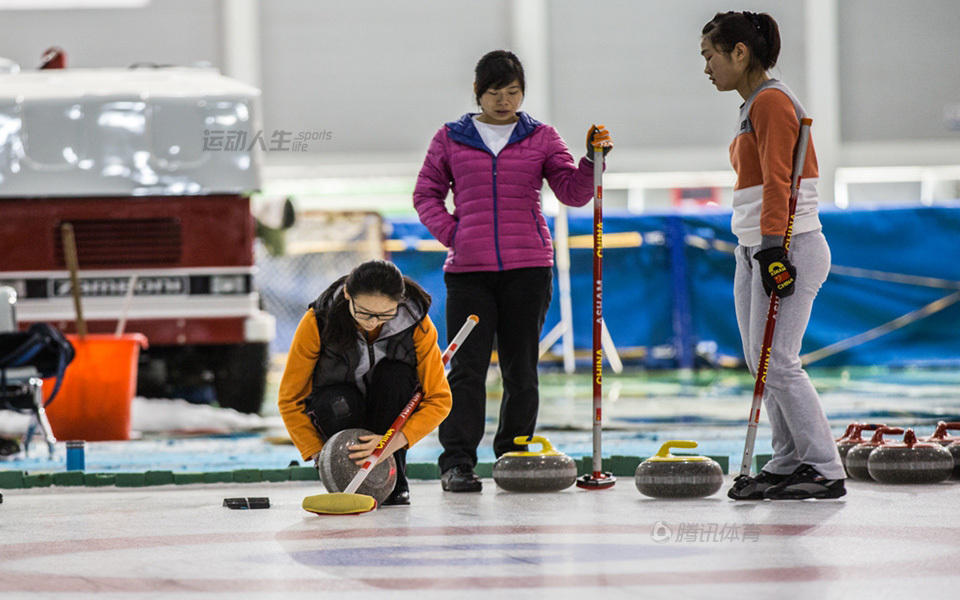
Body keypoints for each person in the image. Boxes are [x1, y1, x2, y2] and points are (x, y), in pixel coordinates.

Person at [413, 49, 612, 492]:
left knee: (521, 368)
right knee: (467, 370)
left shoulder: (541, 136)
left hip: (528, 269)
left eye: (513, 92)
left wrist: (590, 161)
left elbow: (572, 193)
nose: (504, 101)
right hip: (468, 272)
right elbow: (425, 194)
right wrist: (453, 234)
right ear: (477, 92)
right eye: (495, 92)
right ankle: (458, 462)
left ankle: (514, 452)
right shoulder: (450, 138)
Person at [700, 11, 845, 500]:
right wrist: (756, 250)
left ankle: (824, 466)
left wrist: (771, 252)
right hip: (755, 247)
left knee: (777, 361)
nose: (707, 69)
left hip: (787, 245)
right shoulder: (752, 105)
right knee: (760, 361)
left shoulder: (772, 102)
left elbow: (781, 181)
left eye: (710, 56)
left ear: (740, 52)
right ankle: (787, 460)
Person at [277, 260, 452, 505]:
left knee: (397, 376)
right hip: (340, 408)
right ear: (348, 294)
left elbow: (439, 399)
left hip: (389, 415)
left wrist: (394, 442)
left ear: (399, 302)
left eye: (385, 314)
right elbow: (290, 398)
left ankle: (394, 478)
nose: (372, 322)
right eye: (364, 312)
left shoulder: (416, 325)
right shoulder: (318, 320)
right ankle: (348, 473)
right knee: (336, 400)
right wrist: (321, 455)